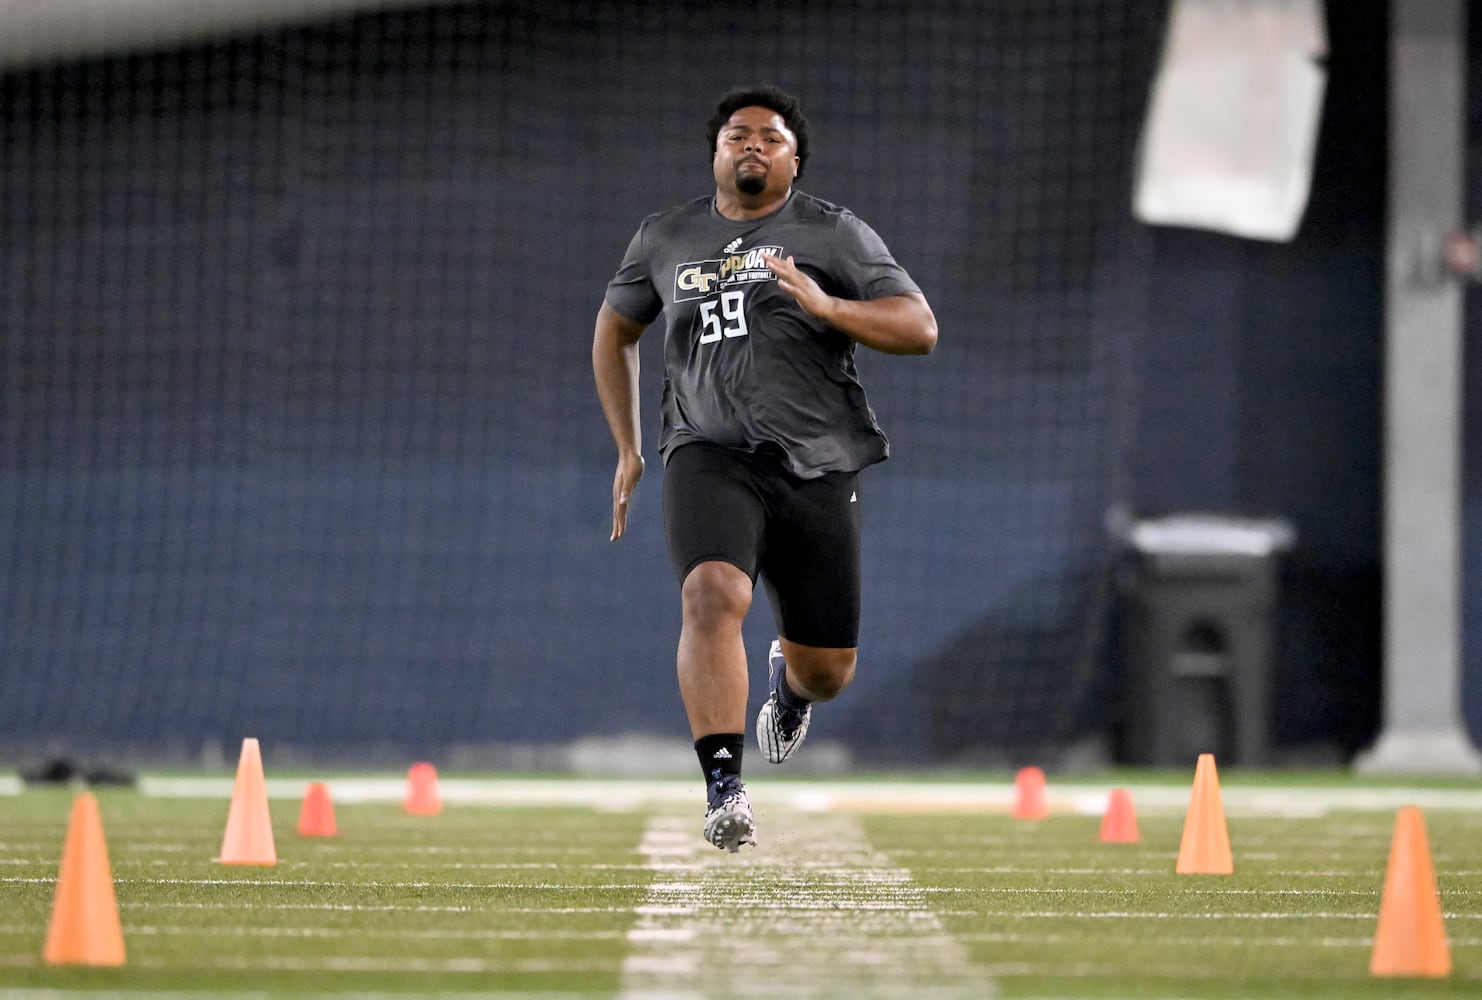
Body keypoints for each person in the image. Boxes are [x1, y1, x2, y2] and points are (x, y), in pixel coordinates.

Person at [592, 85, 937, 852]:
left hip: (816, 463)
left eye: (770, 138)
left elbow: (919, 328)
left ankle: (792, 680)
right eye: (737, 136)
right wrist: (627, 446)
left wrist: (829, 307)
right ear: (715, 153)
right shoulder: (664, 237)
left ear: (794, 159)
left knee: (830, 673)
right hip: (707, 451)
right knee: (712, 593)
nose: (752, 145)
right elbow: (615, 330)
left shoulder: (833, 234)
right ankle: (724, 786)